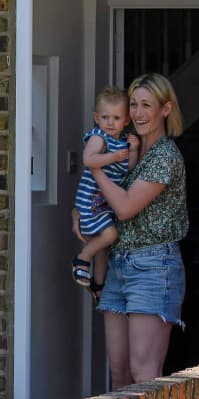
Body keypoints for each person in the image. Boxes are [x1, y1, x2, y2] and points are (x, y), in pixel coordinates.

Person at [86, 73, 188, 390]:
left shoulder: (165, 157)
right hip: (118, 265)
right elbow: (99, 200)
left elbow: (126, 207)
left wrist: (94, 167)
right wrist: (81, 211)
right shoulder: (126, 150)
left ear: (165, 109)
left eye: (147, 105)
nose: (139, 114)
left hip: (153, 267)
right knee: (118, 375)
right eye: (133, 105)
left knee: (143, 375)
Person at [70, 86, 140, 298]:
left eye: (116, 117)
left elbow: (128, 170)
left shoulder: (121, 142)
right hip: (91, 201)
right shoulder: (98, 137)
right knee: (110, 235)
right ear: (96, 118)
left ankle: (98, 286)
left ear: (126, 120)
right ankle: (81, 259)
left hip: (105, 203)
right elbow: (89, 160)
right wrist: (113, 157)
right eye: (105, 117)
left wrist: (133, 150)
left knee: (103, 248)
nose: (110, 122)